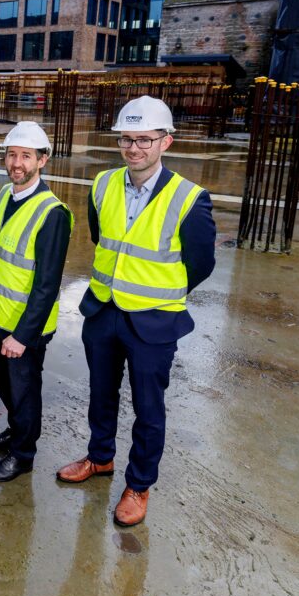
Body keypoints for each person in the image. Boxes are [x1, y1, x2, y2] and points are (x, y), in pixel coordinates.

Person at [56, 96, 215, 527]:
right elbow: (101, 236)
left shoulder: (190, 199)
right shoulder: (103, 184)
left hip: (154, 321)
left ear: (166, 141)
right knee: (101, 395)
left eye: (145, 139)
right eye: (127, 138)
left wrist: (158, 294)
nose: (134, 148)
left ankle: (139, 484)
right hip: (104, 312)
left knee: (149, 408)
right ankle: (100, 458)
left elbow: (201, 264)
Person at [0, 120, 72, 483]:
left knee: (25, 391)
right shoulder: (5, 196)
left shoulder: (52, 213)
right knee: (6, 386)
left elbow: (47, 286)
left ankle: (23, 455)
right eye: (12, 155)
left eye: (26, 156)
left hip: (24, 329)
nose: (17, 163)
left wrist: (23, 335)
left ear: (42, 160)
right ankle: (15, 433)